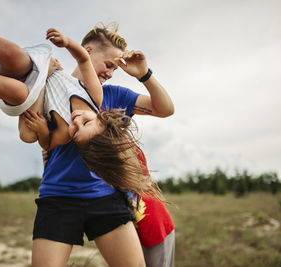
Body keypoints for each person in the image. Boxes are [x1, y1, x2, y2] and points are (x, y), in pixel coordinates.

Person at [0, 6, 151, 194]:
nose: (75, 121)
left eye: (75, 131)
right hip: (36, 68)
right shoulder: (95, 94)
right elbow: (83, 58)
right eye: (86, 123)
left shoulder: (65, 133)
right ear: (101, 118)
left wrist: (44, 130)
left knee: (19, 92)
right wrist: (67, 42)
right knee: (13, 54)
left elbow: (45, 143)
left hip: (29, 94)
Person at [27, 23, 175, 267]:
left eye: (114, 69)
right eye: (108, 65)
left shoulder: (115, 96)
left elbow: (165, 109)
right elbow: (35, 134)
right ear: (87, 52)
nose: (110, 73)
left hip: (105, 197)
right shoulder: (52, 88)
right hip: (58, 196)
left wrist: (144, 74)